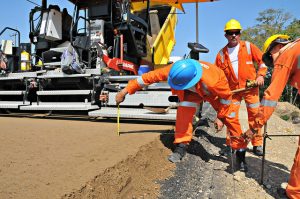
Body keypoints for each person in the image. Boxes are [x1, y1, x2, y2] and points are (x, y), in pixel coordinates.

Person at [116, 58, 250, 171]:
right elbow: (146, 78)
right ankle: (181, 146)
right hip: (191, 94)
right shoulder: (172, 70)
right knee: (183, 114)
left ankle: (240, 153)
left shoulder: (214, 81)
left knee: (231, 119)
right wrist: (124, 91)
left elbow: (226, 98)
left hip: (214, 95)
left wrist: (220, 117)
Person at [244, 34, 300, 198]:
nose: (273, 64)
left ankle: (295, 195)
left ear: (275, 47)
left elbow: (270, 97)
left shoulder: (285, 54)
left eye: (270, 60)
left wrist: (254, 127)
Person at [215, 19, 267, 156]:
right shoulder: (221, 55)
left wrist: (261, 75)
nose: (233, 35)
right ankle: (233, 143)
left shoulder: (249, 47)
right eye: (230, 33)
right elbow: (217, 76)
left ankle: (257, 144)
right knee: (230, 116)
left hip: (251, 89)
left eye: (236, 32)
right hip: (233, 91)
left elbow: (263, 61)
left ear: (240, 34)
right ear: (225, 35)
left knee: (255, 115)